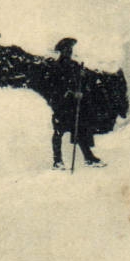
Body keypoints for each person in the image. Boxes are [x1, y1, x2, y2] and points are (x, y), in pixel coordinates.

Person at [46, 38, 103, 169]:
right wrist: (70, 92)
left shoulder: (75, 65)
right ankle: (57, 161)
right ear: (61, 51)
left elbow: (83, 83)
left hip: (74, 105)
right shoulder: (56, 67)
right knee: (58, 132)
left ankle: (89, 158)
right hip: (61, 105)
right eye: (67, 50)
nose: (69, 52)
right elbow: (55, 86)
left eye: (70, 49)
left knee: (80, 130)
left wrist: (83, 77)